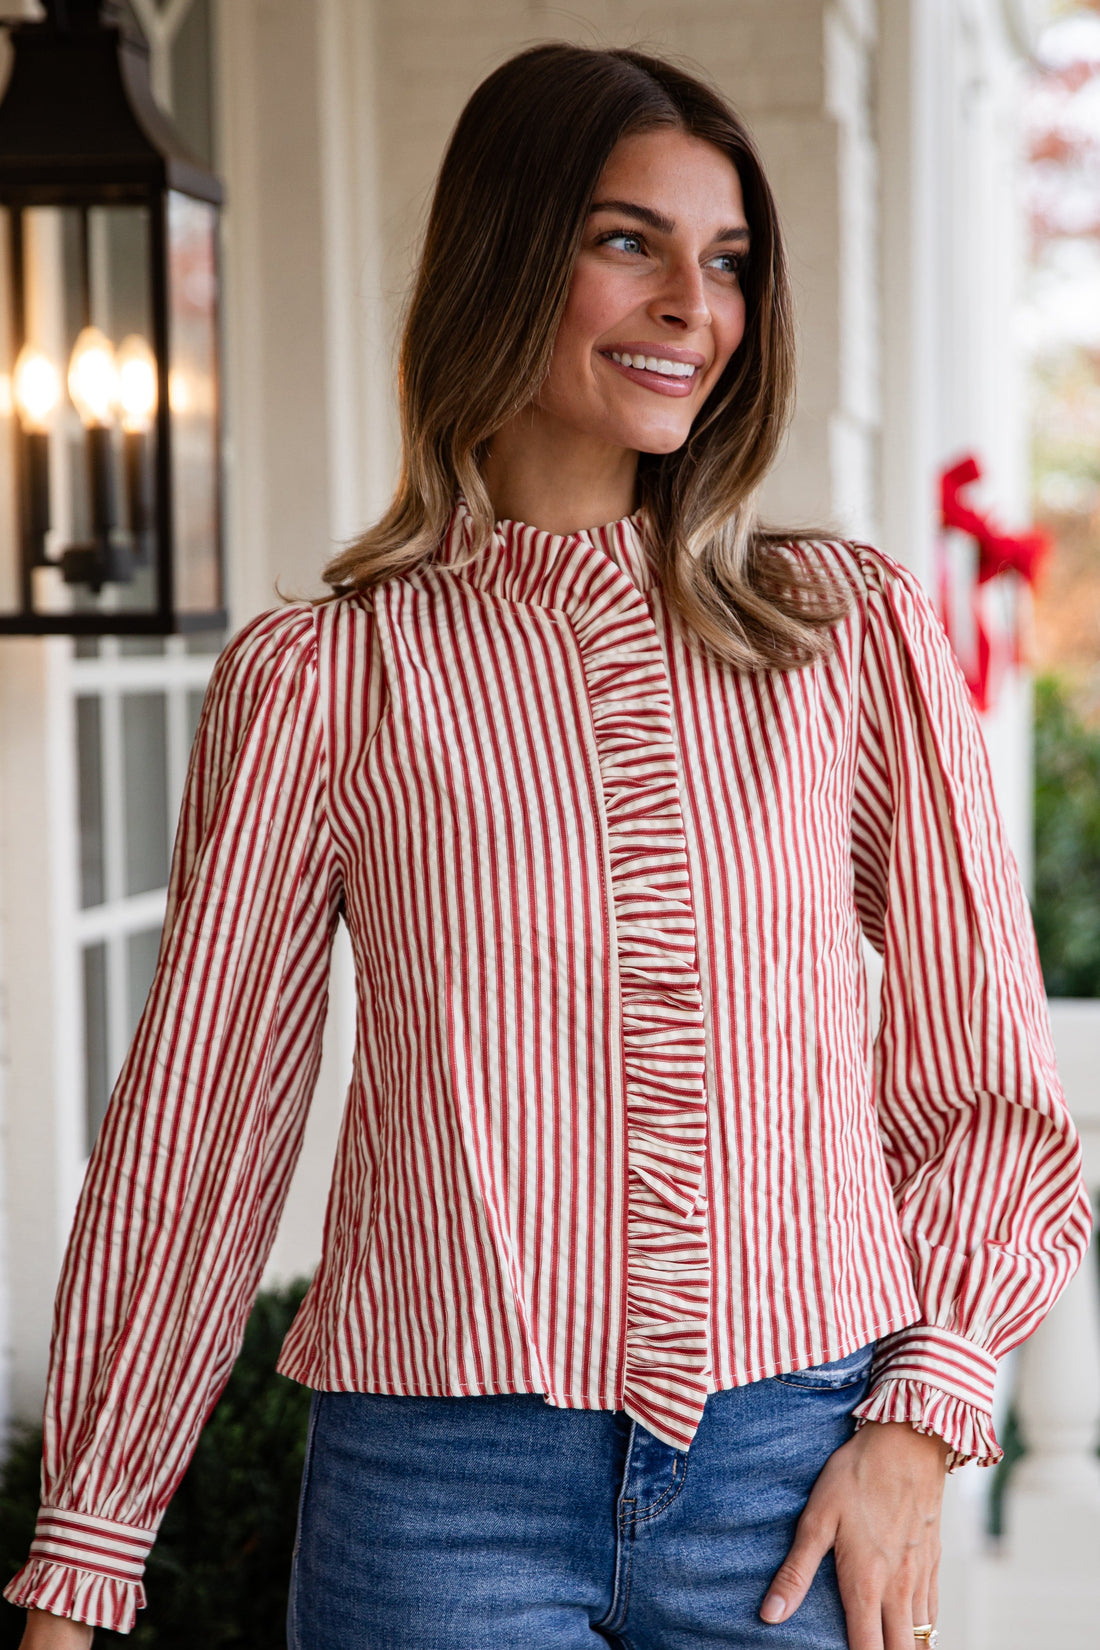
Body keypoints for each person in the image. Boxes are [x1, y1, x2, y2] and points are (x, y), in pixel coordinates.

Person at [7, 41, 1092, 1650]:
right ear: (507, 258)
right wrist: (85, 1559)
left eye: (725, 262)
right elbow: (202, 1127)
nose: (692, 307)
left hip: (797, 1479)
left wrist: (919, 1423)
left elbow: (989, 1081)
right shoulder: (324, 677)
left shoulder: (840, 634)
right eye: (627, 240)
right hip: (438, 1498)